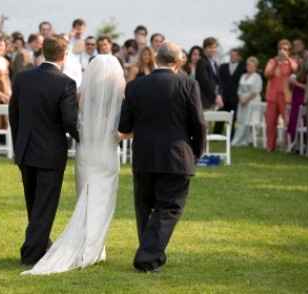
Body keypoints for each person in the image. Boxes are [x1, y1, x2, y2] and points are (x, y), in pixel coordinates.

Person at [22, 55, 125, 276]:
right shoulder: (118, 92)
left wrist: (85, 135)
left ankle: (92, 248)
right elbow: (121, 126)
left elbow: (73, 119)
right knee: (102, 200)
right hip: (106, 150)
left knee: (85, 197)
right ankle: (93, 249)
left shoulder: (83, 93)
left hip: (86, 150)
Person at [118, 42, 206, 273]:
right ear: (177, 62)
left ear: (157, 59)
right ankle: (147, 256)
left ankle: (149, 250)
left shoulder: (135, 86)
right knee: (169, 207)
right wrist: (196, 151)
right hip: (177, 155)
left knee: (144, 206)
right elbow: (198, 123)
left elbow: (124, 124)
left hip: (144, 155)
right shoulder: (187, 84)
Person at [9, 36, 79, 267]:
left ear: (43, 52)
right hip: (50, 153)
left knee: (34, 203)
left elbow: (14, 114)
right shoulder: (66, 83)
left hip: (26, 149)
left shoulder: (22, 78)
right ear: (64, 55)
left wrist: (19, 143)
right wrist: (84, 139)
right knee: (45, 205)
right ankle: (31, 252)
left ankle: (41, 244)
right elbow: (69, 121)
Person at [264, 39, 297, 152]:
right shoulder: (272, 61)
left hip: (286, 96)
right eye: (280, 49)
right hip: (272, 96)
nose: (282, 51)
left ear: (289, 51)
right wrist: (276, 63)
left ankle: (288, 147)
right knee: (270, 122)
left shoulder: (292, 61)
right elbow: (267, 74)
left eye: (285, 49)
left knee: (288, 122)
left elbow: (296, 70)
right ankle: (270, 146)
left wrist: (287, 59)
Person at [231, 57, 263, 146]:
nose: (248, 67)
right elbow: (239, 89)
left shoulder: (257, 77)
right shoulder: (243, 76)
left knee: (248, 121)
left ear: (255, 66)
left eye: (250, 65)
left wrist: (246, 99)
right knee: (240, 120)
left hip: (252, 102)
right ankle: (238, 140)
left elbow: (256, 90)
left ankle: (248, 140)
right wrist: (241, 98)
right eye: (247, 65)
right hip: (242, 101)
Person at [215, 48, 246, 136]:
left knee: (233, 117)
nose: (232, 57)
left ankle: (231, 135)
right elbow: (219, 81)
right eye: (231, 55)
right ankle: (216, 134)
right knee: (220, 115)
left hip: (236, 96)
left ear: (239, 57)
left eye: (235, 55)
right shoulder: (223, 66)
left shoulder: (243, 67)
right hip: (224, 96)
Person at [195, 37, 223, 110]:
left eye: (214, 47)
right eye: (210, 47)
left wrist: (219, 95)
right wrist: (216, 96)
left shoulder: (215, 63)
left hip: (213, 100)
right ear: (204, 49)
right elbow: (205, 82)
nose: (213, 50)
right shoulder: (201, 62)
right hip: (204, 100)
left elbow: (219, 82)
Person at [286, 56, 307, 147]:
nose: (299, 62)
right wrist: (290, 83)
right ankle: (292, 142)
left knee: (300, 121)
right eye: (298, 61)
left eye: (301, 61)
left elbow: (307, 88)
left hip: (302, 99)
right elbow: (291, 89)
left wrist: (296, 83)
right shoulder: (295, 73)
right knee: (293, 120)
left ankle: (300, 143)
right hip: (294, 99)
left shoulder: (307, 74)